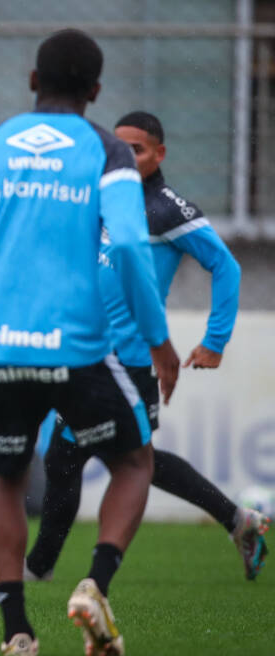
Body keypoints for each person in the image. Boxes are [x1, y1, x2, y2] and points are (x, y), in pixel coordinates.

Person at [0, 30, 180, 656]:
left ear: (32, 80)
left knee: (8, 479)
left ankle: (16, 627)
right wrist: (158, 340)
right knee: (135, 462)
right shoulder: (106, 150)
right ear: (95, 90)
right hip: (77, 346)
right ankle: (95, 584)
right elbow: (130, 246)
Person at [22, 112, 268, 583]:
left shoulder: (167, 209)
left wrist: (215, 340)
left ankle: (43, 568)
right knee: (107, 459)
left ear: (160, 153)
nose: (126, 157)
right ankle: (238, 521)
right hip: (88, 353)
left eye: (137, 149)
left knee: (105, 459)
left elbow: (226, 266)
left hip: (128, 360)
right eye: (120, 148)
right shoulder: (105, 198)